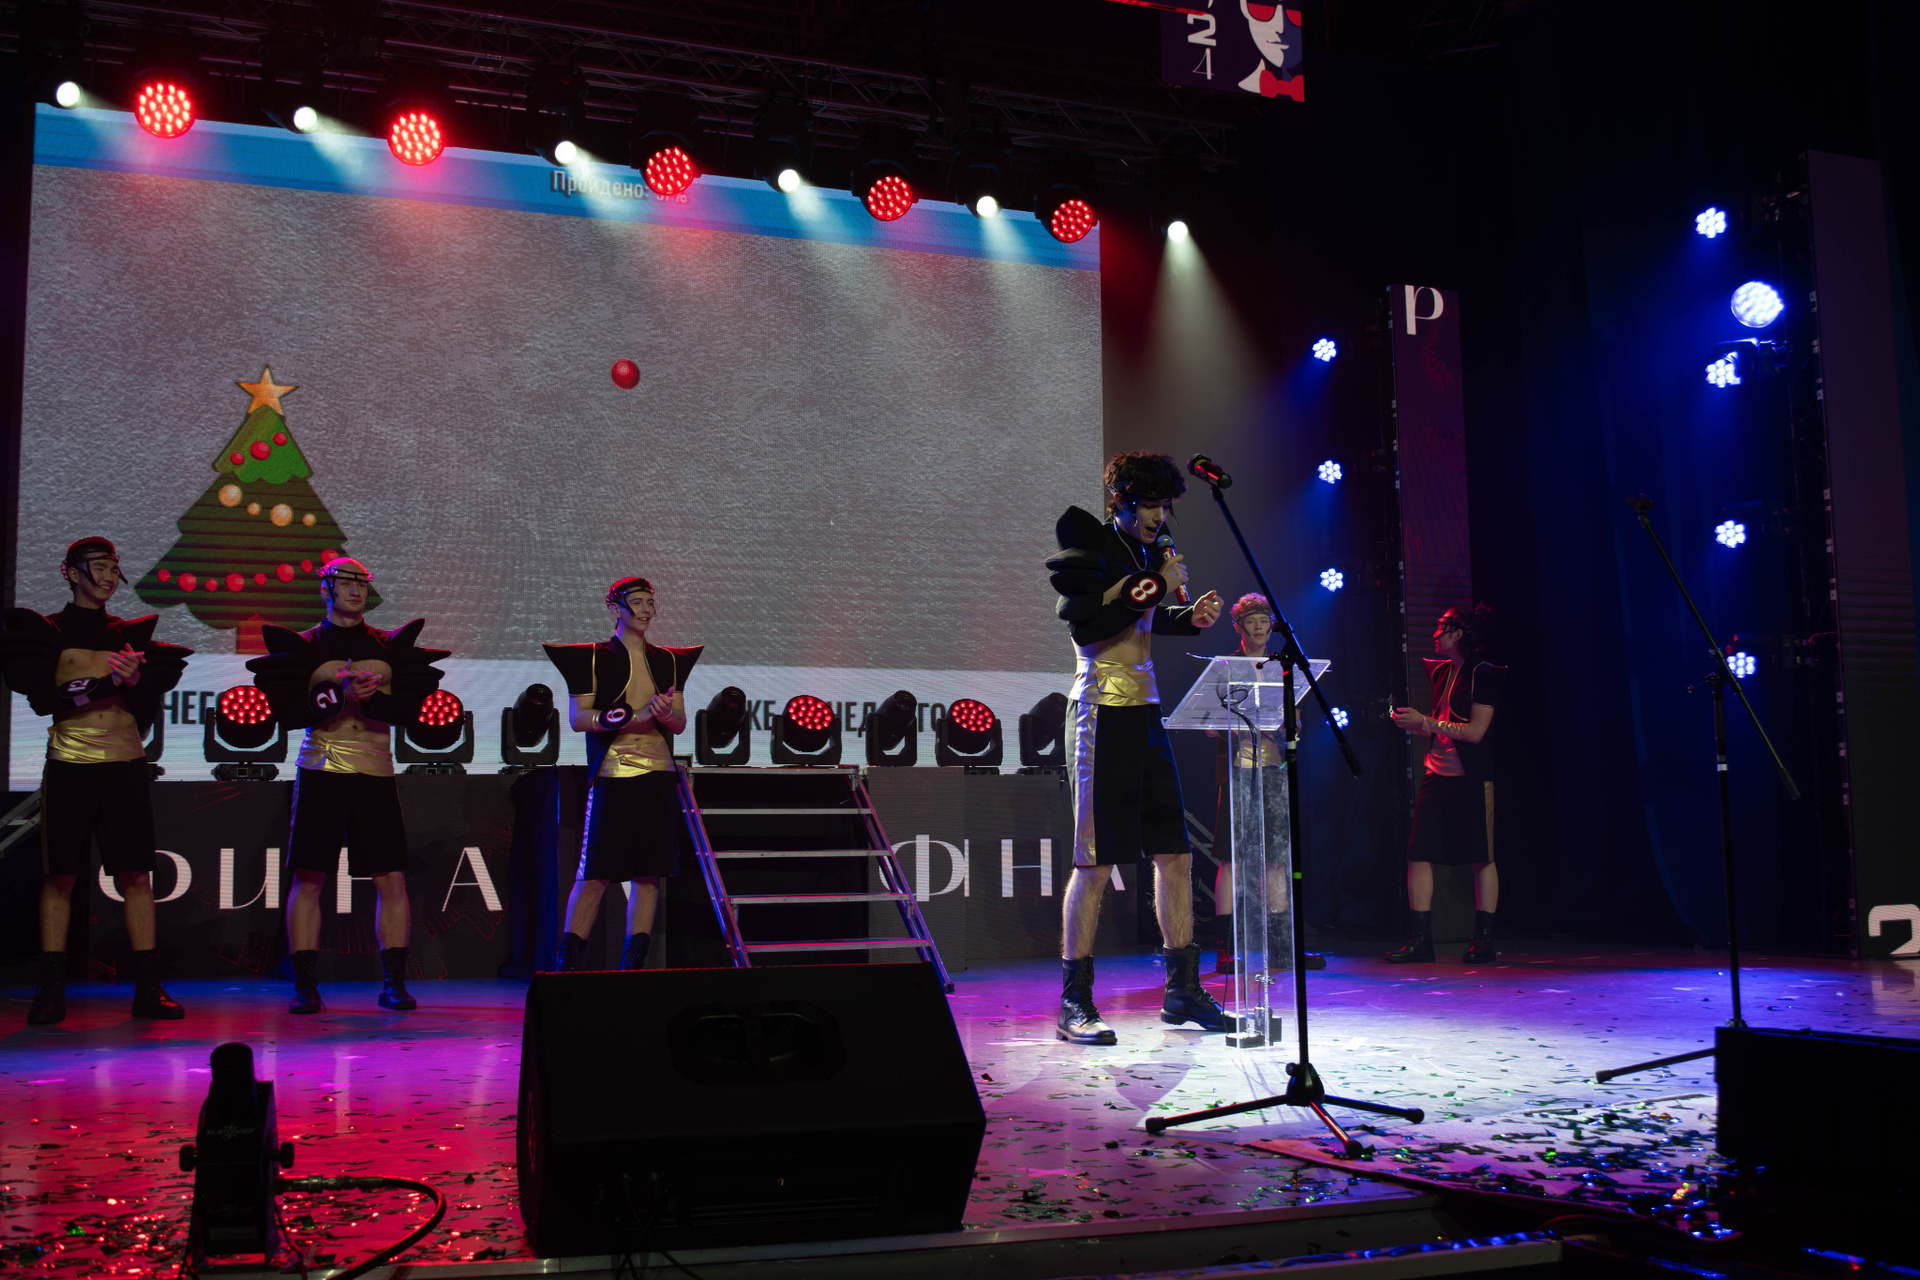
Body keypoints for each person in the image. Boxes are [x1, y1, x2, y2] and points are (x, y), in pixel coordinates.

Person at [1046, 451, 1230, 1045]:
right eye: (1148, 505)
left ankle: (1182, 990)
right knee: (1095, 862)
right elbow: (1091, 626)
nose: (1158, 516)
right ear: (1120, 502)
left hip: (1147, 711)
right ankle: (1075, 1001)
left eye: (1164, 505)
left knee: (1175, 854)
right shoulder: (1093, 545)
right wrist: (1157, 586)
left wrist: (1188, 616)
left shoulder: (1152, 554)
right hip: (1100, 712)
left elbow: (1143, 618)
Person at [2, 538, 192, 1025]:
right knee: (59, 876)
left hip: (125, 764)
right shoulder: (51, 631)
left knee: (137, 875)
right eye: (100, 567)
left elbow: (146, 708)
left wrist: (135, 682)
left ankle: (148, 988)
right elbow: (45, 700)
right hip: (70, 763)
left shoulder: (126, 635)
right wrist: (107, 683)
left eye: (114, 568)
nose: (109, 577)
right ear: (71, 573)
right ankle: (50, 990)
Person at [247, 557, 449, 1013]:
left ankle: (394, 983)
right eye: (346, 581)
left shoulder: (387, 645)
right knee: (309, 878)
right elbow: (288, 715)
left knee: (391, 878)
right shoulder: (305, 645)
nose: (356, 589)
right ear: (326, 588)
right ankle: (305, 985)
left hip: (376, 770)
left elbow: (409, 713)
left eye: (362, 581)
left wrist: (371, 698)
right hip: (320, 768)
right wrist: (337, 695)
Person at [543, 577, 702, 971]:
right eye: (638, 602)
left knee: (649, 875)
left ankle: (633, 969)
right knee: (594, 874)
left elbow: (680, 722)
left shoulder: (668, 660)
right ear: (615, 608)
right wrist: (635, 716)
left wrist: (666, 715)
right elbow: (579, 719)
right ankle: (568, 968)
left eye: (651, 602)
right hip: (614, 773)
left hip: (659, 772)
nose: (646, 610)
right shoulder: (592, 658)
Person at [1207, 593, 1326, 974]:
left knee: (1276, 860)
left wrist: (1291, 725)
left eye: (1264, 621)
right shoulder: (1224, 667)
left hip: (1274, 769)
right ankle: (1226, 950)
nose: (1259, 627)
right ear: (1238, 626)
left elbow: (1297, 721)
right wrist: (1234, 725)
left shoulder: (1283, 668)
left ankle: (1281, 949)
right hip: (1239, 769)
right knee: (1232, 859)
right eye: (1251, 621)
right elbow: (1207, 723)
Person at [1387, 604, 1503, 964]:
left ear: (1458, 633)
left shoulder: (1483, 674)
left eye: (1442, 627)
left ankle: (1483, 940)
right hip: (1437, 773)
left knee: (1481, 858)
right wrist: (1417, 724)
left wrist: (1427, 722)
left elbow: (1475, 732)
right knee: (1419, 854)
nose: (1435, 634)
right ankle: (1421, 940)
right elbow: (1441, 722)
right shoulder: (1442, 671)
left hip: (1471, 778)